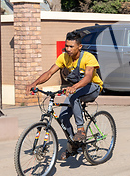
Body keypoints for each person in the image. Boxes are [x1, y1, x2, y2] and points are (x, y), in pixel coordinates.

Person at [26, 31, 103, 160]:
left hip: (93, 87)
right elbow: (49, 72)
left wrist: (73, 87)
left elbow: (89, 77)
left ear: (79, 47)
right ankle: (74, 145)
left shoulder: (88, 57)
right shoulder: (63, 57)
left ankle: (81, 130)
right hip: (76, 90)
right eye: (66, 46)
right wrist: (35, 83)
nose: (68, 49)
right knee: (63, 117)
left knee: (74, 97)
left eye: (71, 46)